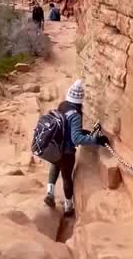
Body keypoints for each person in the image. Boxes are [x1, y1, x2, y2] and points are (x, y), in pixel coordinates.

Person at [44, 79, 108, 217]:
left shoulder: (62, 105)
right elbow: (76, 139)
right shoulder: (76, 115)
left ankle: (50, 192)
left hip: (55, 146)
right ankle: (68, 207)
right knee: (67, 177)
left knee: (55, 165)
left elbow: (64, 125)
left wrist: (81, 131)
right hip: (66, 151)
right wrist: (96, 140)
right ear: (80, 99)